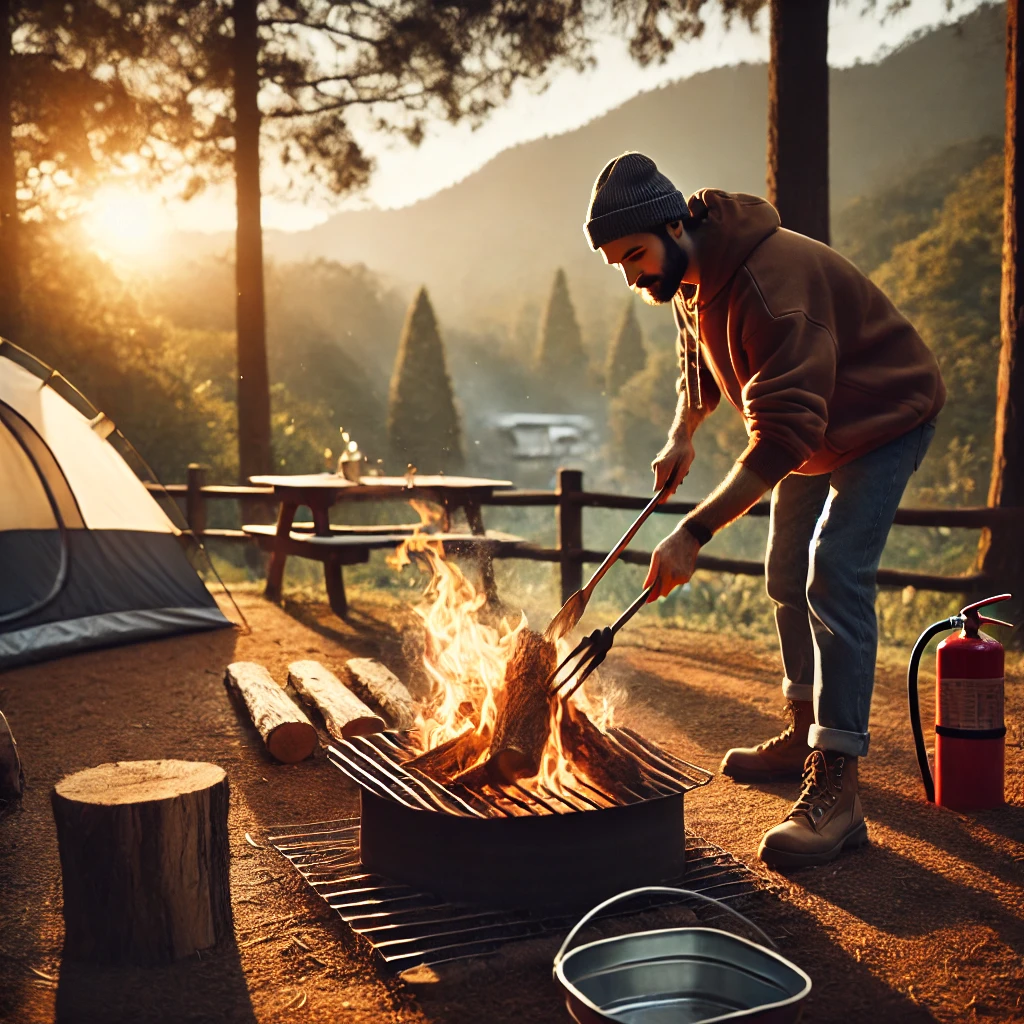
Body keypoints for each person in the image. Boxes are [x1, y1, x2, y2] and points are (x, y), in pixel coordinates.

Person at [584, 152, 944, 868]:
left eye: (634, 256)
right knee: (785, 570)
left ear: (672, 223)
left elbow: (782, 434)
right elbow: (698, 352)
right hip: (816, 428)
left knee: (833, 572)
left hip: (885, 413)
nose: (632, 277)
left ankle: (838, 788)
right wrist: (681, 432)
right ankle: (804, 727)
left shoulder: (771, 284)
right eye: (618, 265)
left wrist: (692, 532)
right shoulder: (688, 273)